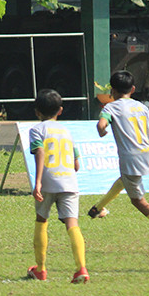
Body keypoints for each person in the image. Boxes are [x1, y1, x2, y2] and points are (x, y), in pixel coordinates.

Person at [87, 70, 149, 252]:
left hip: (131, 158)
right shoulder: (143, 108)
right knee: (125, 179)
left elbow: (101, 124)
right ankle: (97, 208)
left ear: (112, 91)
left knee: (138, 201)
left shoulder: (111, 107)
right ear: (133, 89)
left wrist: (102, 129)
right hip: (148, 154)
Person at [26, 89, 89, 283]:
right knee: (73, 224)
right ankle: (81, 269)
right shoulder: (67, 131)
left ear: (37, 112)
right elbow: (77, 164)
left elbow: (40, 153)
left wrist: (37, 182)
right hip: (69, 181)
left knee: (41, 220)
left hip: (47, 181)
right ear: (60, 110)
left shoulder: (37, 130)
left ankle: (41, 269)